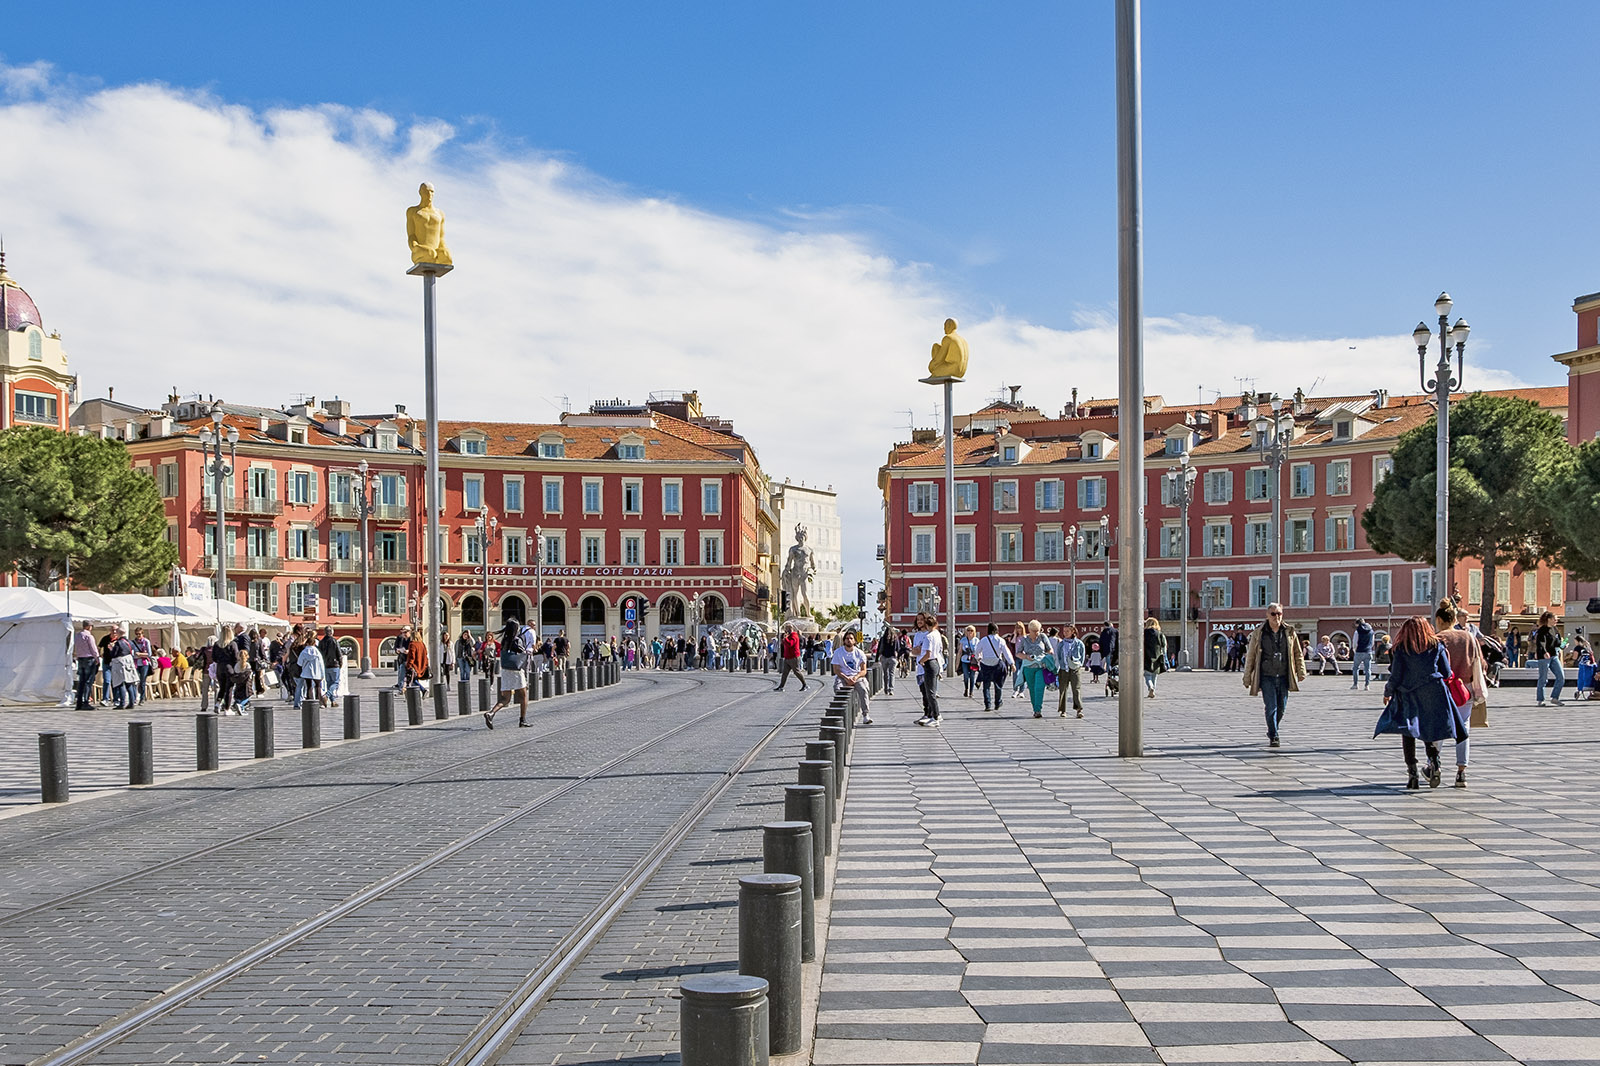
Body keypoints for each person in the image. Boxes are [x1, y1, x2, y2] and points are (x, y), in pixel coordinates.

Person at [1376, 615, 1466, 789]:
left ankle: (1413, 774)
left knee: (1408, 731)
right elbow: (1446, 672)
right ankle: (1434, 763)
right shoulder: (1436, 645)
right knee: (1428, 730)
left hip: (1408, 693)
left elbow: (1396, 675)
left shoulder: (1401, 649)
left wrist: (1388, 692)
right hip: (1433, 692)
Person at [1241, 603, 1305, 748]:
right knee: (1271, 707)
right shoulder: (1259, 633)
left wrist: (1301, 671)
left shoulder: (1289, 631)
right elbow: (1251, 655)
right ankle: (1274, 735)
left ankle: (1271, 730)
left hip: (1284, 675)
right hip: (1266, 676)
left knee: (1281, 708)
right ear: (1267, 615)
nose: (1277, 617)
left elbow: (1297, 653)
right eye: (1273, 614)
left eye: (1279, 614)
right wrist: (1247, 677)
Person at [1435, 600, 1483, 787]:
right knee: (1463, 727)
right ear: (1455, 618)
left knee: (1439, 726)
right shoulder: (1468, 637)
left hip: (1443, 688)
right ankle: (1461, 772)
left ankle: (1435, 764)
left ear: (1439, 619)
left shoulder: (1438, 638)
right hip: (1465, 688)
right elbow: (1479, 662)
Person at [484, 618, 531, 729]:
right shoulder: (517, 640)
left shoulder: (504, 640)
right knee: (523, 696)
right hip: (516, 670)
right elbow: (522, 651)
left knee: (505, 698)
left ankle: (491, 713)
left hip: (505, 670)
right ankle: (522, 720)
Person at [832, 629, 872, 726]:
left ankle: (866, 714)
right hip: (843, 676)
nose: (849, 640)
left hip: (856, 676)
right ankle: (841, 713)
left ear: (854, 641)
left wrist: (856, 677)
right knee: (837, 688)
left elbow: (864, 670)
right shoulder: (838, 652)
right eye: (847, 638)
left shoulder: (860, 653)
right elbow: (836, 670)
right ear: (844, 640)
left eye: (851, 638)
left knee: (863, 689)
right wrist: (846, 678)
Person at [914, 612, 946, 726]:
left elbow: (927, 653)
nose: (919, 622)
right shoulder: (937, 634)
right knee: (928, 692)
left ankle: (935, 716)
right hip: (935, 663)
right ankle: (931, 714)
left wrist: (921, 661)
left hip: (929, 664)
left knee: (930, 693)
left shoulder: (928, 636)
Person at [1017, 619, 1053, 719]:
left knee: (1039, 688)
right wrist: (1026, 657)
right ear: (1029, 630)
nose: (1036, 633)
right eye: (1034, 631)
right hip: (1028, 667)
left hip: (1040, 666)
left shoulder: (1043, 637)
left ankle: (1038, 709)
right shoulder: (1024, 639)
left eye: (1038, 630)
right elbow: (1018, 653)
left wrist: (1047, 656)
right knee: (1032, 689)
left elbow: (1050, 649)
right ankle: (1035, 709)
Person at [976, 622, 1014, 711]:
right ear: (996, 630)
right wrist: (1012, 663)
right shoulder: (1000, 640)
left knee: (986, 686)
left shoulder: (983, 640)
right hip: (997, 663)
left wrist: (979, 658)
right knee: (998, 685)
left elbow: (977, 651)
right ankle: (998, 702)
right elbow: (1006, 652)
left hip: (985, 664)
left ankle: (988, 704)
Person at [1531, 611, 1564, 706]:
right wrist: (1544, 652)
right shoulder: (1542, 630)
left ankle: (1555, 697)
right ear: (1549, 619)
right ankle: (1540, 699)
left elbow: (1556, 642)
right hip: (1544, 657)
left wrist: (1562, 645)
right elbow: (1541, 643)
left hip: (1554, 656)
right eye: (1554, 619)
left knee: (1561, 677)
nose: (1556, 621)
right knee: (1543, 678)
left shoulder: (1555, 629)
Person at [1055, 624, 1086, 718]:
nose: (1065, 633)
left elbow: (1082, 655)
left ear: (1073, 631)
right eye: (1064, 631)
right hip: (1064, 669)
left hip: (1075, 669)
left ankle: (1079, 709)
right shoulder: (1061, 644)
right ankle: (1062, 710)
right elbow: (1058, 656)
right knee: (1063, 689)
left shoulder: (1079, 643)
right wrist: (1058, 667)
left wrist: (1079, 665)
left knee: (1076, 689)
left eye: (1067, 631)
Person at [73, 620, 99, 710]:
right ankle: (86, 702)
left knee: (81, 682)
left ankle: (79, 702)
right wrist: (97, 658)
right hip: (89, 659)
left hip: (80, 659)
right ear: (89, 626)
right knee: (88, 682)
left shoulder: (77, 636)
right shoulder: (89, 636)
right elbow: (93, 649)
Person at [775, 625, 807, 691]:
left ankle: (805, 685)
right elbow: (785, 644)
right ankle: (781, 687)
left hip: (793, 657)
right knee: (785, 673)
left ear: (790, 629)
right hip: (787, 657)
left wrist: (786, 638)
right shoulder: (789, 636)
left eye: (786, 630)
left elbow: (790, 644)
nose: (785, 631)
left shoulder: (794, 636)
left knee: (796, 671)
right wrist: (784, 639)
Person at [1141, 618, 1165, 698]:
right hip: (1157, 657)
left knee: (1147, 675)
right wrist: (1164, 655)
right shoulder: (1159, 633)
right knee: (1155, 675)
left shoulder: (1143, 633)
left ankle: (1150, 687)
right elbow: (1164, 645)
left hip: (1146, 656)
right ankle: (1153, 690)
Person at [319, 626, 343, 704]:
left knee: (329, 683)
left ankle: (333, 701)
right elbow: (339, 653)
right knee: (335, 683)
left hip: (326, 665)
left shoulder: (321, 642)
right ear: (332, 632)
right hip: (334, 664)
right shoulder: (334, 641)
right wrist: (340, 663)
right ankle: (327, 695)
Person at [1351, 618, 1375, 690]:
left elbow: (1355, 642)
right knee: (1368, 669)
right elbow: (1372, 642)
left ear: (1357, 624)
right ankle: (1367, 685)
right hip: (1368, 651)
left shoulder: (1357, 631)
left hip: (1359, 651)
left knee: (1355, 668)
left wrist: (1355, 650)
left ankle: (1355, 684)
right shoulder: (1371, 631)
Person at [877, 624, 898, 695]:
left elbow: (878, 649)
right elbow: (898, 649)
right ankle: (891, 689)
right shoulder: (895, 638)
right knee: (891, 674)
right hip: (892, 658)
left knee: (885, 674)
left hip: (884, 657)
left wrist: (876, 659)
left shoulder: (883, 639)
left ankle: (885, 689)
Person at [959, 625, 979, 697]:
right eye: (968, 630)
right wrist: (957, 662)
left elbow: (978, 651)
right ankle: (966, 688)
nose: (970, 632)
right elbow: (960, 651)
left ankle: (971, 691)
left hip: (973, 660)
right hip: (965, 659)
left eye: (971, 630)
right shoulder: (963, 640)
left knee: (972, 676)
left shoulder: (976, 640)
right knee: (966, 675)